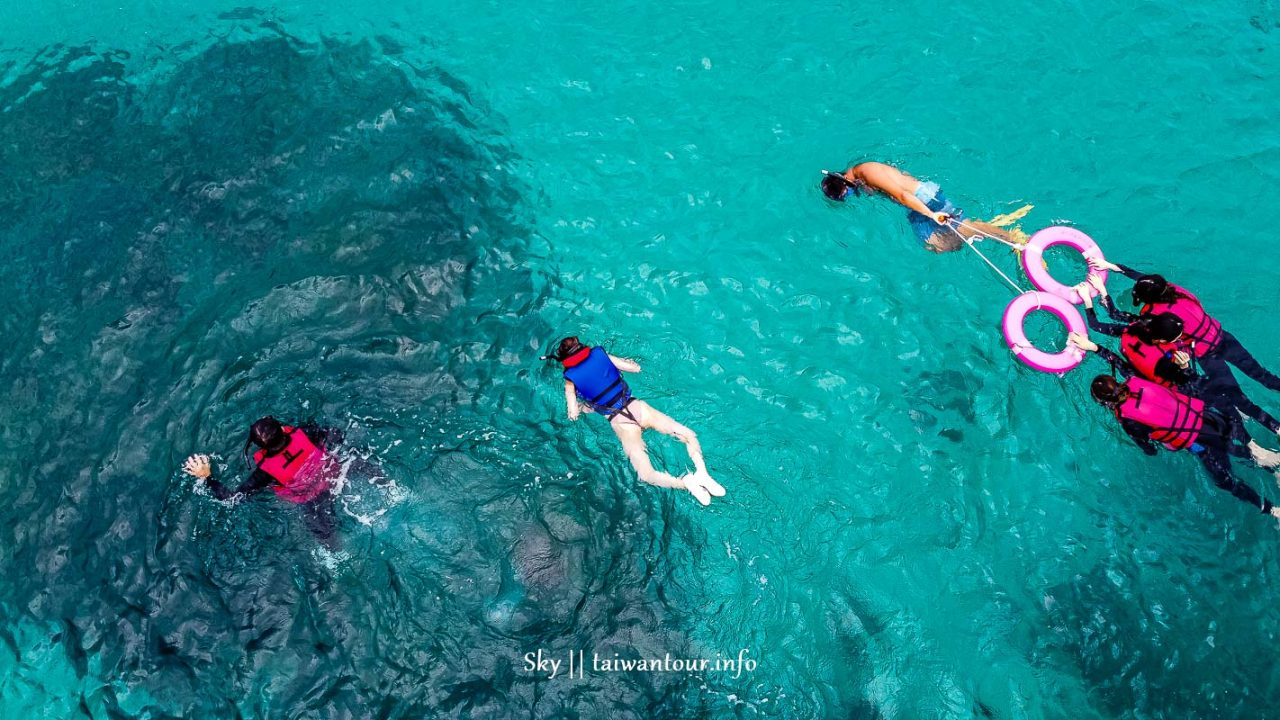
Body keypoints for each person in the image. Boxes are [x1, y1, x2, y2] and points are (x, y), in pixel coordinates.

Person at [1069, 337, 1280, 519]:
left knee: (1225, 481)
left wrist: (1153, 445)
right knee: (1244, 450)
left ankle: (1274, 511)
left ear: (1105, 401)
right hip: (1210, 417)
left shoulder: (1128, 420)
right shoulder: (1134, 380)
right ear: (1116, 382)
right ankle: (1275, 470)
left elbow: (1149, 449)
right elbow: (1117, 361)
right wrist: (1093, 347)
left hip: (1199, 442)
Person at [1074, 275, 1280, 438]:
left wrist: (1095, 298)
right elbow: (1185, 373)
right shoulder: (1171, 348)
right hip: (1196, 384)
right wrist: (1183, 366)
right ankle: (1271, 430)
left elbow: (1105, 325)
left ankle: (1253, 444)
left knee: (1225, 416)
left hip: (1183, 394)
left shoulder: (1134, 329)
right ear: (1163, 340)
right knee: (1237, 403)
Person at [549, 336, 725, 506]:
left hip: (621, 423)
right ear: (581, 347)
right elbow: (636, 368)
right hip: (639, 409)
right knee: (688, 435)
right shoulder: (601, 355)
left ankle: (685, 483)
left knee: (646, 475)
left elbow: (573, 415)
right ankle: (702, 472)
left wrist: (584, 407)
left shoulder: (570, 379)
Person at [1087, 257, 1280, 393]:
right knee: (1261, 374)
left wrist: (1103, 292)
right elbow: (1145, 278)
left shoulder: (1157, 317)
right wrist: (1112, 266)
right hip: (1223, 338)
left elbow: (1118, 316)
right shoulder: (1175, 291)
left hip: (1207, 354)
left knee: (1232, 393)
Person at [182, 417, 360, 549]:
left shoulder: (265, 473)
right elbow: (337, 435)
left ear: (260, 447)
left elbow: (233, 499)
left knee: (329, 542)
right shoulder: (306, 433)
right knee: (364, 465)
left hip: (311, 501)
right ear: (283, 429)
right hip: (335, 475)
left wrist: (207, 477)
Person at [819, 162, 1016, 253]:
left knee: (939, 244)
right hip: (917, 204)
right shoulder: (859, 175)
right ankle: (971, 227)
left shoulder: (867, 173)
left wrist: (931, 214)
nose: (851, 196)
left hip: (923, 200)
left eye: (847, 195)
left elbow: (903, 194)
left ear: (844, 183)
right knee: (938, 246)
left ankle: (1012, 237)